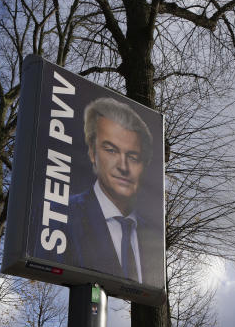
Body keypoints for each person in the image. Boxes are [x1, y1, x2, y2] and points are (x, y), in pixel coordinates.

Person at [64, 97, 162, 285]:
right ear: (93, 153)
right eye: (111, 150)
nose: (123, 166)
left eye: (133, 157)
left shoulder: (153, 236)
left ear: (145, 164)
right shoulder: (64, 216)